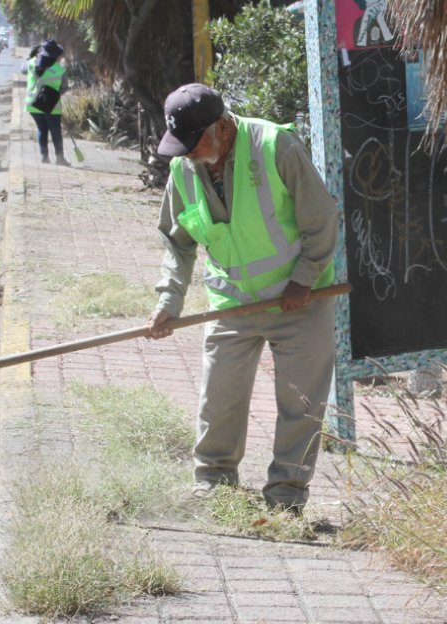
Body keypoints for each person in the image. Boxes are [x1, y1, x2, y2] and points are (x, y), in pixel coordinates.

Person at [144, 84, 338, 514]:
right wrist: (169, 299)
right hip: (231, 302)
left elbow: (322, 220)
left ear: (222, 128)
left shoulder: (275, 147)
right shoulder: (184, 169)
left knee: (300, 404)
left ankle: (286, 495)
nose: (188, 154)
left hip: (300, 301)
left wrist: (303, 281)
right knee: (219, 398)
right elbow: (177, 243)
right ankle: (214, 484)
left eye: (194, 144)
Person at [24, 39, 69, 166]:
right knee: (55, 131)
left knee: (42, 129)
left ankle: (44, 158)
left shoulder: (32, 63)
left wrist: (34, 55)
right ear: (56, 56)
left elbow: (22, 68)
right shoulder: (59, 69)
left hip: (32, 103)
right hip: (52, 106)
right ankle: (60, 159)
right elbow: (64, 88)